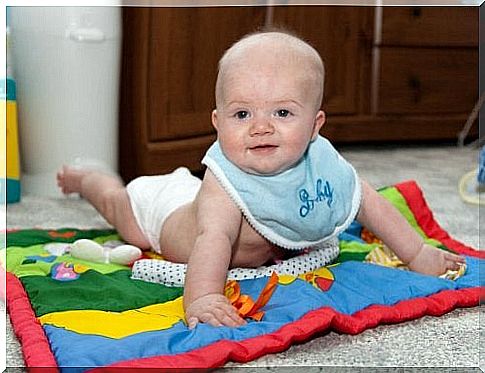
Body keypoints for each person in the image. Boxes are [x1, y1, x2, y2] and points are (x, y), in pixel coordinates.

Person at [57, 30, 465, 329]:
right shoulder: (225, 185)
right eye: (242, 114)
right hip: (160, 212)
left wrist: (417, 254)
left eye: (282, 113)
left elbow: (365, 200)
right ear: (218, 123)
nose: (261, 128)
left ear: (315, 125)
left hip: (188, 193)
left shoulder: (320, 163)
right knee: (120, 210)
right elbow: (213, 240)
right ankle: (89, 178)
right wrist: (203, 296)